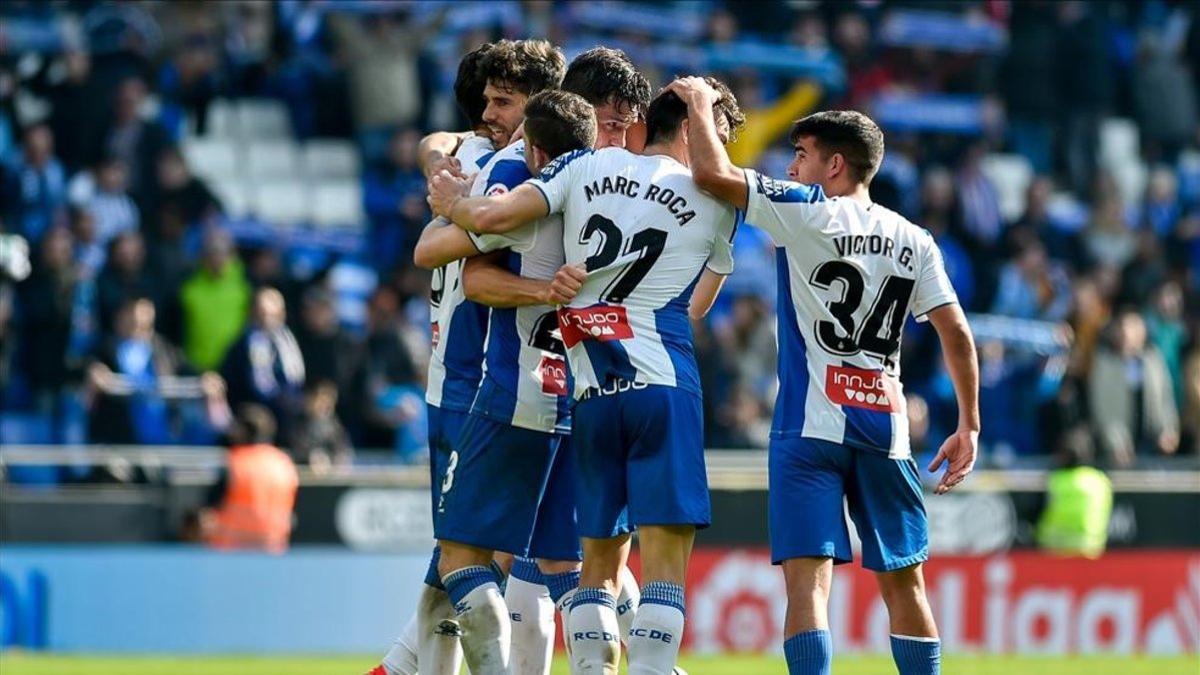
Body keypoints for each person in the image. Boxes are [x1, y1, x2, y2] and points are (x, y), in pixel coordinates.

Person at [429, 76, 745, 675]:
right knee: (661, 568)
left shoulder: (581, 168)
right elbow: (698, 304)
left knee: (593, 573)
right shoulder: (721, 200)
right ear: (701, 129)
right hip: (663, 386)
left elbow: (495, 215)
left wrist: (450, 204)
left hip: (592, 393)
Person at [668, 76, 980, 675]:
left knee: (807, 587)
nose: (791, 166)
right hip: (885, 428)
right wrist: (969, 423)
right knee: (905, 582)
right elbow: (956, 333)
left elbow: (711, 174)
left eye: (802, 155)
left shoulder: (807, 210)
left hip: (809, 429)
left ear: (834, 164)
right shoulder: (915, 239)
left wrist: (703, 107)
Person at [412, 46, 654, 675]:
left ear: (539, 119)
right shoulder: (627, 193)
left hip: (492, 389)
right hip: (592, 393)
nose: (491, 116)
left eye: (505, 104)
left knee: (460, 561)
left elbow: (439, 253)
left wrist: (453, 203)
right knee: (573, 570)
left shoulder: (514, 178)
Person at [367, 41, 500, 675]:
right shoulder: (507, 172)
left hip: (461, 379)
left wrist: (434, 159)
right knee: (481, 554)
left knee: (468, 551)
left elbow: (432, 143)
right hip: (480, 382)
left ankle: (397, 666)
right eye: (497, 99)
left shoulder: (460, 158)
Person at [200, 404, 298, 554]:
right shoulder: (284, 463)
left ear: (243, 431)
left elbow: (211, 508)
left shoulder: (235, 463)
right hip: (273, 549)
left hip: (232, 550)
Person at [1036, 426, 1113, 559]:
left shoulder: (1055, 481)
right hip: (1092, 551)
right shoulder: (1101, 481)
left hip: (1055, 552)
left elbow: (1036, 512)